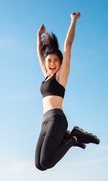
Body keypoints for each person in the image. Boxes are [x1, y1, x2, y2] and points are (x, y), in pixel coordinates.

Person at [35, 12, 99, 171]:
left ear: (60, 63)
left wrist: (73, 20)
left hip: (57, 119)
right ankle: (69, 136)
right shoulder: (46, 76)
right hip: (45, 121)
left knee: (47, 162)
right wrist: (39, 36)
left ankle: (74, 137)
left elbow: (68, 45)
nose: (52, 63)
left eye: (56, 60)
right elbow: (39, 52)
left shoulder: (60, 76)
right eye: (49, 60)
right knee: (39, 165)